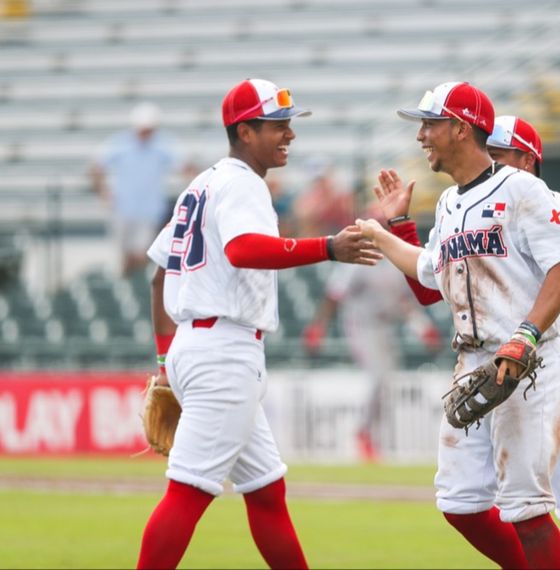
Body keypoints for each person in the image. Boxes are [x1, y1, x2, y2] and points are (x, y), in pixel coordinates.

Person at [138, 78, 380, 570]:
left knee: (267, 491)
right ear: (245, 131)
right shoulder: (243, 183)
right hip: (223, 352)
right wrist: (328, 247)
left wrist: (166, 358)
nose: (289, 134)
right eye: (277, 126)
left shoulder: (202, 184)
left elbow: (160, 274)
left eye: (290, 125)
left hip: (198, 345)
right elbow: (243, 250)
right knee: (187, 494)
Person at [375, 114, 560, 569]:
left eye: (499, 153)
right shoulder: (463, 202)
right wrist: (397, 225)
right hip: (496, 359)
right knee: (478, 501)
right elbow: (432, 286)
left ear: (527, 160)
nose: (489, 161)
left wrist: (540, 321)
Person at [302, 243, 441, 462]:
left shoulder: (397, 261)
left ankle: (372, 435)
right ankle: (363, 433)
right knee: (378, 377)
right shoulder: (360, 261)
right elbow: (334, 295)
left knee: (386, 382)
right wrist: (319, 326)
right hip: (361, 325)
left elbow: (404, 302)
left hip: (386, 327)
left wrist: (422, 328)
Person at [90, 101, 187, 276]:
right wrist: (103, 193)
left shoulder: (162, 144)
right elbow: (96, 167)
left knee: (143, 254)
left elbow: (183, 166)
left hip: (149, 210)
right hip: (123, 208)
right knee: (125, 255)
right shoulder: (121, 143)